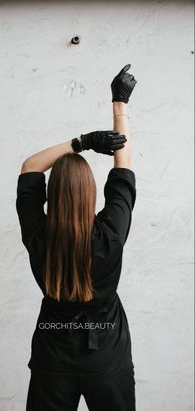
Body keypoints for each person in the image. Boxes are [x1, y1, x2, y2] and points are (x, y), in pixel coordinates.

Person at [16, 64, 137, 411]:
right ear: (91, 193)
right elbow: (123, 169)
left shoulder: (38, 235)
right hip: (107, 358)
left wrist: (80, 143)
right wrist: (119, 105)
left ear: (51, 194)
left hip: (53, 358)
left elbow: (30, 167)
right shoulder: (110, 232)